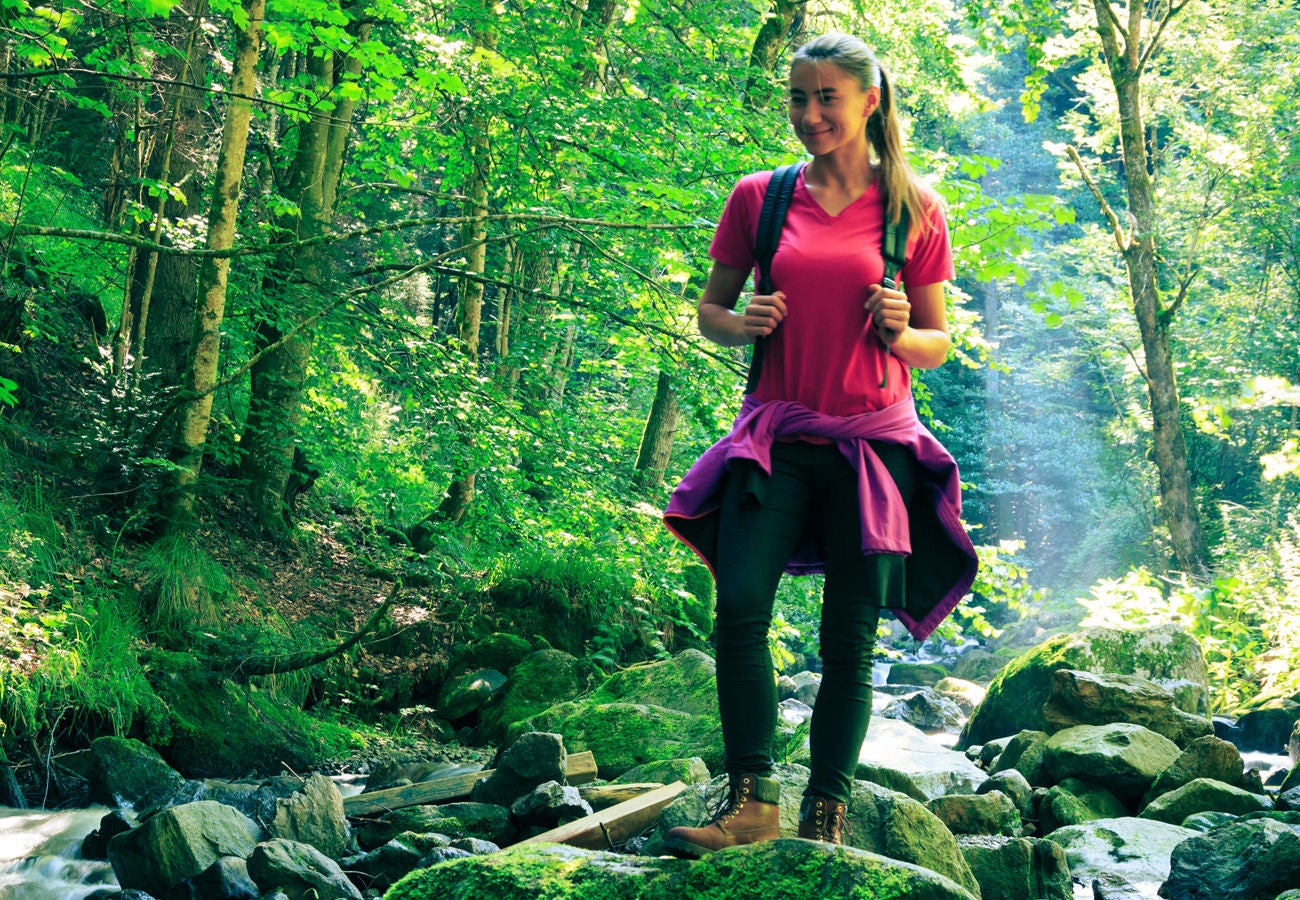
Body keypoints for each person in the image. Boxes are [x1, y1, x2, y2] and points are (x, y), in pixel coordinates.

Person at [662, 32, 979, 855]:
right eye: (797, 99)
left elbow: (938, 343)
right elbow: (713, 312)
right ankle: (752, 801)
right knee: (738, 608)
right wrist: (743, 323)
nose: (807, 115)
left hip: (874, 448)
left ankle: (825, 817)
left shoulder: (915, 206)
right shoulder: (759, 198)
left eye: (824, 98)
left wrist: (904, 331)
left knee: (849, 637)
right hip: (777, 437)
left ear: (869, 101)